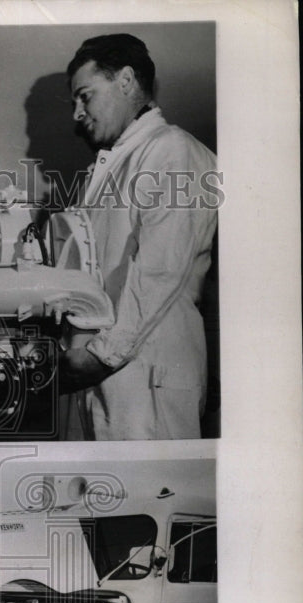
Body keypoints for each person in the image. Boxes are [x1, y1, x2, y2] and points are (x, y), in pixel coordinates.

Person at [59, 34, 218, 440]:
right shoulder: (109, 167)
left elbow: (160, 270)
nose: (77, 112)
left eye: (85, 96)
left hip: (147, 376)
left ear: (126, 81)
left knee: (153, 498)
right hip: (107, 375)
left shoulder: (172, 151)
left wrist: (102, 356)